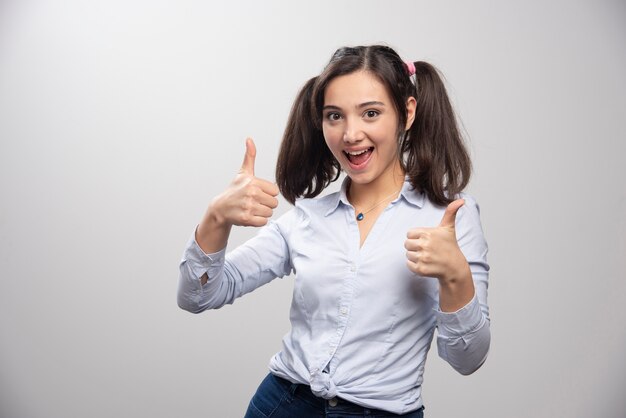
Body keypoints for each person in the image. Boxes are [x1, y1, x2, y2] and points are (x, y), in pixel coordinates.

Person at [178, 45, 490, 417]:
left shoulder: (450, 217)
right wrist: (216, 218)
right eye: (334, 116)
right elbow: (197, 297)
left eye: (371, 113)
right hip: (282, 404)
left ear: (407, 112)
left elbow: (468, 359)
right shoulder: (308, 217)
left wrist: (455, 277)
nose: (350, 134)